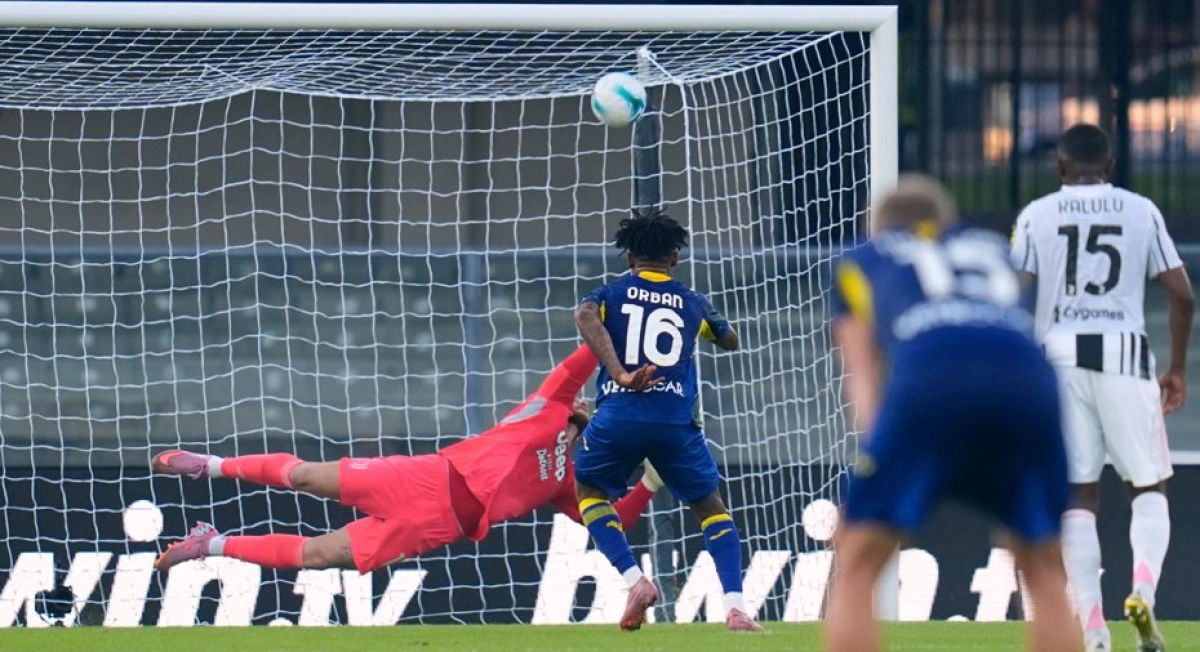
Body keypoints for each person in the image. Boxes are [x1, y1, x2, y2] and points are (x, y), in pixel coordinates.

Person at [825, 175, 1080, 652]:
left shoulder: (865, 257)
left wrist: (875, 457)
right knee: (1044, 564)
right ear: (946, 223)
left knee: (857, 559)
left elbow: (862, 378)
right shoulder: (993, 249)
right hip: (1029, 382)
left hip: (931, 376)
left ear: (879, 227)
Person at [152, 345, 663, 574]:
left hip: (435, 526)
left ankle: (208, 544)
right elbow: (584, 355)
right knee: (304, 475)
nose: (592, 406)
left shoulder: (571, 482)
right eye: (597, 402)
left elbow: (612, 523)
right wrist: (624, 340)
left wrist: (649, 485)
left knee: (318, 557)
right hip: (424, 478)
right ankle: (209, 466)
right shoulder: (550, 404)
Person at [1011, 124, 1194, 652]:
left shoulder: (1036, 215)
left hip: (1058, 362)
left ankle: (1093, 628)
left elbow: (1012, 292)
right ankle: (1142, 592)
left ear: (1060, 166)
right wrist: (1176, 369)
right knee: (1148, 487)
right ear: (1110, 166)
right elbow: (1182, 296)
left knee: (1077, 495)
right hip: (1125, 358)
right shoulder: (1141, 211)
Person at [572, 209, 760, 633]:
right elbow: (730, 340)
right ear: (675, 257)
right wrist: (704, 322)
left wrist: (620, 373)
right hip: (674, 424)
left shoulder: (609, 294)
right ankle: (736, 609)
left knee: (589, 493)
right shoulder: (693, 303)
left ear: (629, 258)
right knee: (710, 509)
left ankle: (635, 581)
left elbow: (584, 314)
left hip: (618, 416)